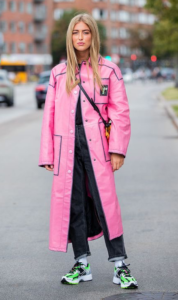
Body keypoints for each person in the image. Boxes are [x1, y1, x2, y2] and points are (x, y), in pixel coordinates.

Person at [38, 13, 138, 289]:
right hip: (66, 147)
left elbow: (120, 112)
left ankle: (120, 265)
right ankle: (82, 263)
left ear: (93, 36)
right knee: (74, 205)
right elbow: (50, 114)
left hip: (99, 146)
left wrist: (117, 149)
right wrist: (48, 154)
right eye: (75, 32)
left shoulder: (109, 70)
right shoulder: (59, 73)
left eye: (85, 32)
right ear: (70, 37)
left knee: (107, 204)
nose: (80, 37)